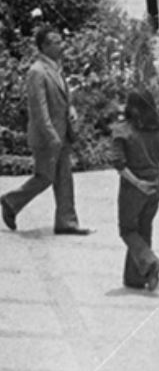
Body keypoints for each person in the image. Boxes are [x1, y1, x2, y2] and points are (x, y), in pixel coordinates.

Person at [3, 27, 88, 235]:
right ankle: (11, 201)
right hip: (46, 136)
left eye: (60, 41)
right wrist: (52, 135)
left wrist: (72, 108)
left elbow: (64, 95)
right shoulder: (37, 71)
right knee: (45, 177)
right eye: (55, 42)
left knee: (64, 177)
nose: (61, 45)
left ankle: (66, 221)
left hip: (62, 131)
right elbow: (39, 109)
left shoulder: (56, 67)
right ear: (44, 46)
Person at [111, 89, 159, 292]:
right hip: (155, 185)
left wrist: (137, 183)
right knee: (144, 229)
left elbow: (119, 164)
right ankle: (137, 277)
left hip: (133, 187)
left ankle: (150, 262)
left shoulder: (124, 131)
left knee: (128, 230)